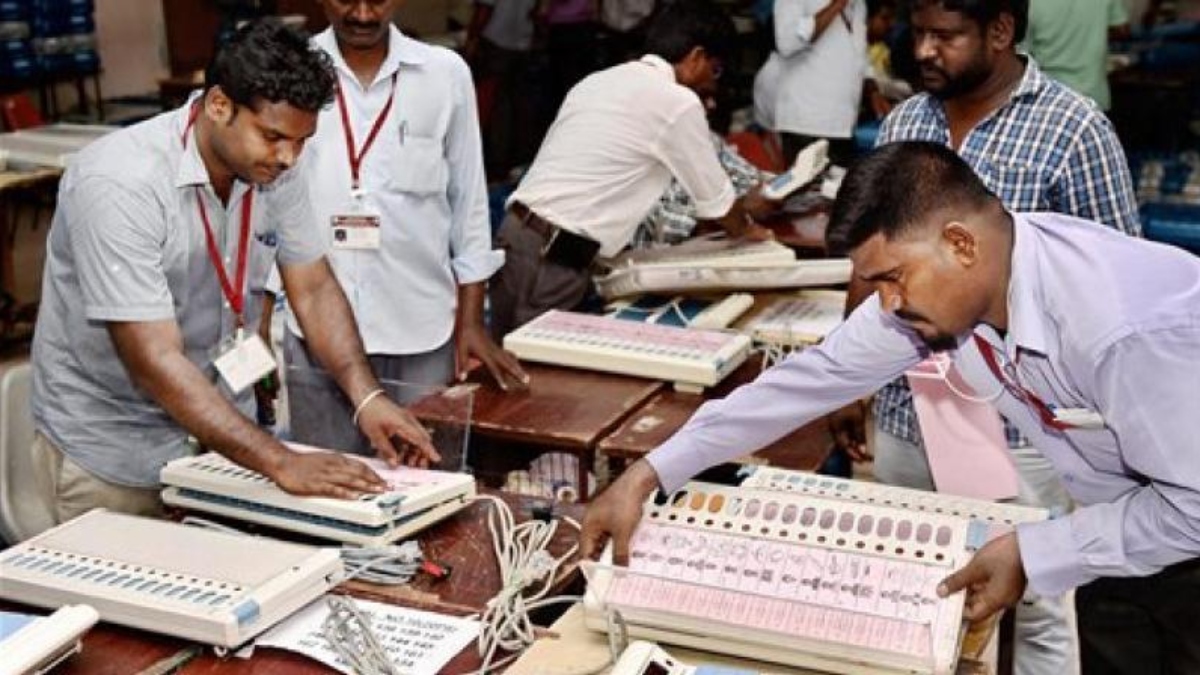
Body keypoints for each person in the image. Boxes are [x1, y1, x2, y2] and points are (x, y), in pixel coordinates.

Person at [582, 140, 1200, 674]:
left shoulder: (1124, 330)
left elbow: (1193, 507)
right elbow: (813, 377)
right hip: (1121, 532)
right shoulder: (952, 287)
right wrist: (651, 471)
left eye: (892, 279)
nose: (885, 303)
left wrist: (1037, 551)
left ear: (960, 243)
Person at [29, 19, 437, 529]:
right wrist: (279, 460)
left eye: (302, 140)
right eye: (273, 137)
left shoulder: (275, 165)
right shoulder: (119, 183)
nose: (289, 156)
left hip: (221, 441)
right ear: (218, 106)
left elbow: (311, 287)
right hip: (115, 450)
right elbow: (153, 359)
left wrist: (368, 398)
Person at [846, 2, 1142, 671]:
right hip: (906, 411)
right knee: (913, 587)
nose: (923, 50)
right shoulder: (904, 122)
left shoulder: (1073, 131)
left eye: (944, 36)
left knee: (1032, 606)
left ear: (1001, 32)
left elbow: (1115, 284)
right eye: (918, 33)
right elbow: (869, 260)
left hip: (1019, 430)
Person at [276, 0, 527, 460]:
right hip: (315, 333)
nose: (364, 15)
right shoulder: (288, 72)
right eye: (347, 0)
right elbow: (261, 198)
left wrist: (471, 320)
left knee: (426, 482)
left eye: (378, 0)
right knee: (324, 485)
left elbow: (469, 204)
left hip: (422, 328)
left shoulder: (443, 74)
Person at [488, 0, 774, 339]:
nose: (713, 87)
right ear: (696, 57)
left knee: (505, 370)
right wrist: (752, 232)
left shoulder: (601, 80)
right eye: (715, 71)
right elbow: (720, 206)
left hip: (516, 236)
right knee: (537, 376)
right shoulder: (677, 101)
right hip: (555, 259)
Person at [752, 0, 868, 166]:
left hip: (844, 124)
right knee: (804, 190)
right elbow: (786, 42)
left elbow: (857, 53)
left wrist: (873, 88)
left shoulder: (859, 4)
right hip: (806, 124)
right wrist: (836, 5)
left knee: (838, 189)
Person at [1024, 0, 1131, 111]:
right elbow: (1122, 29)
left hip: (1049, 99)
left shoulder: (1031, 3)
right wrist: (1095, 32)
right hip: (1093, 97)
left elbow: (1022, 52)